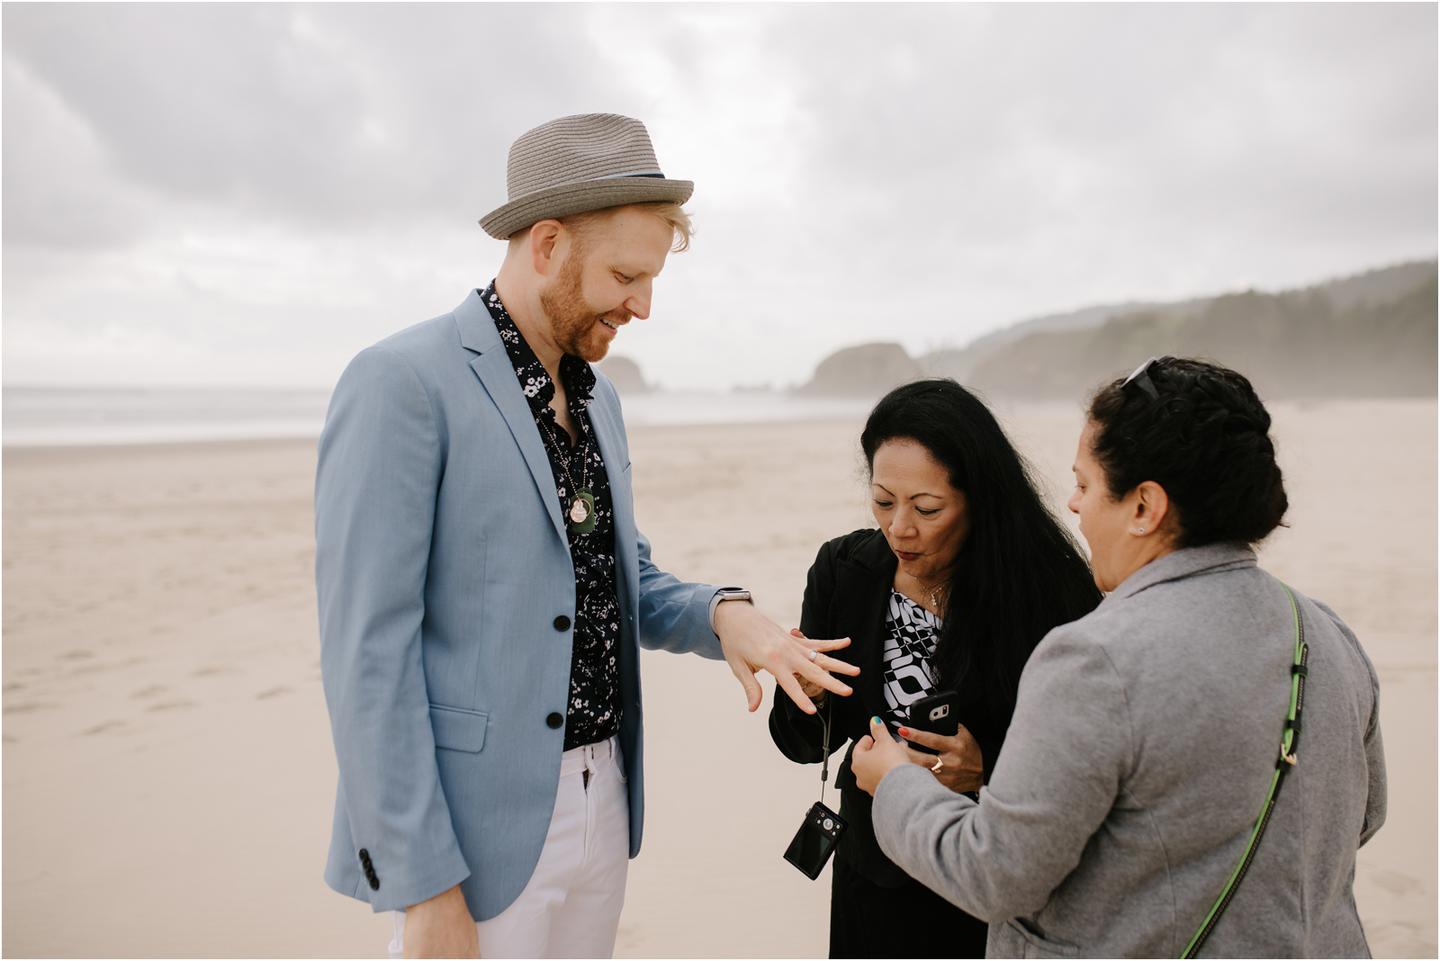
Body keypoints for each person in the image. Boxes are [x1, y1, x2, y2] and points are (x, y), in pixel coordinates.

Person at [314, 113, 859, 960]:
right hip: (473, 833)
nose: (643, 305)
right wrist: (422, 883)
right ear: (546, 244)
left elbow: (617, 575)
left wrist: (724, 614)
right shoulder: (402, 381)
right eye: (626, 275)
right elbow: (366, 653)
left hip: (606, 803)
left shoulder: (600, 399)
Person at [853, 357, 1388, 957]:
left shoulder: (1094, 658)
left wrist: (895, 782)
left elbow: (995, 875)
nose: (1073, 505)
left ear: (1144, 507)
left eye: (1085, 484)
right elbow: (1362, 818)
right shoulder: (1325, 632)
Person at [769, 379, 1101, 958]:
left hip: (990, 875)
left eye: (926, 509)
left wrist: (986, 768)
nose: (900, 527)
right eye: (883, 501)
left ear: (979, 497)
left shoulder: (1049, 589)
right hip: (874, 869)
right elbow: (800, 744)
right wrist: (807, 695)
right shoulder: (843, 571)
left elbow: (1091, 755)